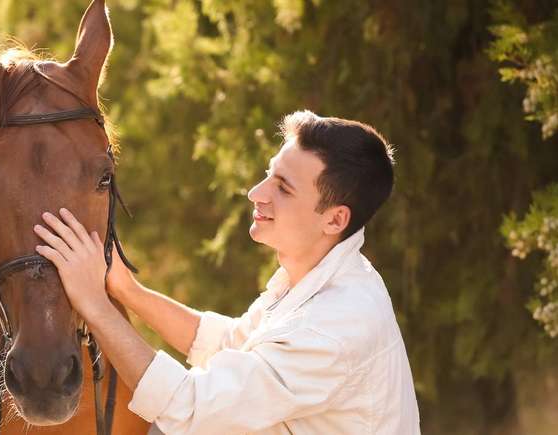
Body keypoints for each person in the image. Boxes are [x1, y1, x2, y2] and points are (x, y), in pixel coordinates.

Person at [33, 110, 420, 434]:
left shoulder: (332, 327)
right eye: (269, 174)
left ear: (334, 219)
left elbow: (189, 409)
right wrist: (127, 290)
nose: (257, 193)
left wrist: (95, 305)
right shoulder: (321, 277)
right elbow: (229, 343)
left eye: (284, 188)